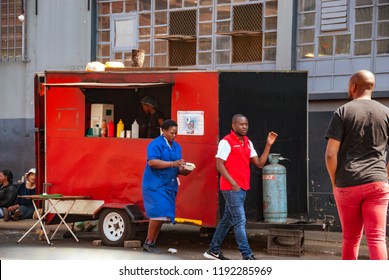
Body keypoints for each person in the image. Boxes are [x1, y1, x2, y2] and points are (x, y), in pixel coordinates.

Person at [325, 70, 389, 260]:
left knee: (350, 238)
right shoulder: (386, 113)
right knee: (377, 238)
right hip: (378, 183)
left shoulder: (342, 112)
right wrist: (384, 176)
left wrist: (334, 180)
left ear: (353, 87)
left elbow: (330, 155)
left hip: (347, 183)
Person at [204, 114, 278, 260]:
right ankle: (247, 254)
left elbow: (259, 164)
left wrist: (268, 144)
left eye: (246, 124)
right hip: (231, 188)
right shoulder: (226, 142)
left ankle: (213, 249)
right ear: (233, 125)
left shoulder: (247, 142)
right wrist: (233, 183)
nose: (244, 127)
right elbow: (219, 164)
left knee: (227, 220)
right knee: (240, 220)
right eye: (241, 124)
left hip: (242, 187)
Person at [142, 119, 194, 253]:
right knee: (158, 213)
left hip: (169, 185)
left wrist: (185, 170)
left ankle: (152, 242)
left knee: (163, 215)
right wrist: (173, 163)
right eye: (171, 133)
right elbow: (152, 162)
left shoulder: (177, 147)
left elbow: (178, 168)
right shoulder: (155, 144)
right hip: (155, 185)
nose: (174, 136)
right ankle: (149, 243)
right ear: (163, 131)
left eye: (176, 133)